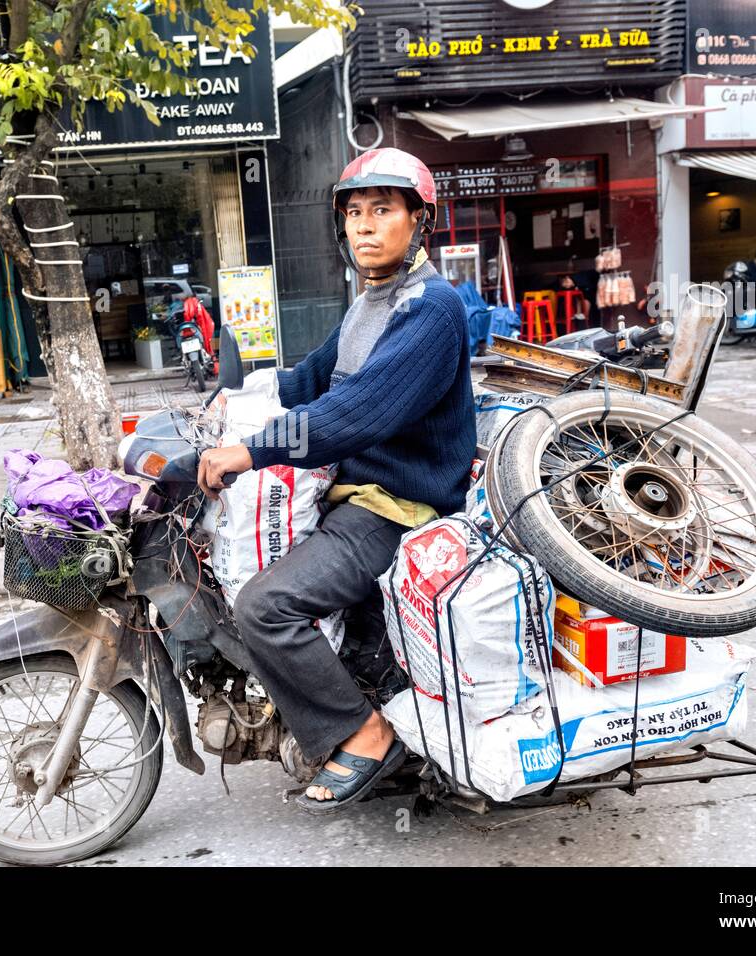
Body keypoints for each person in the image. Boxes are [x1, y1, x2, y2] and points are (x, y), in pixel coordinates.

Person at [196, 147, 476, 814]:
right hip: (352, 492)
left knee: (264, 605)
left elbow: (353, 413)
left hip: (394, 507)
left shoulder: (431, 310)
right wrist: (227, 404)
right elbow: (309, 381)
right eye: (354, 213)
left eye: (383, 210)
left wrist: (252, 451)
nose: (365, 227)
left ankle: (364, 732)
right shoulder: (372, 304)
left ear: (418, 221)